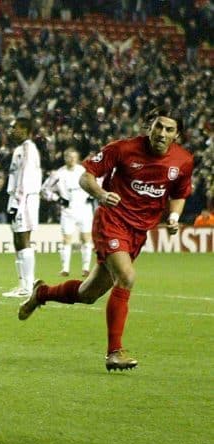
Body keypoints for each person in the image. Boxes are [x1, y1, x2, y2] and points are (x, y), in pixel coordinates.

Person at [18, 106, 194, 372]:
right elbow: (86, 175)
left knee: (87, 294)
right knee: (127, 277)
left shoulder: (183, 160)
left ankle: (41, 293)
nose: (162, 133)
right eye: (158, 126)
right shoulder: (123, 149)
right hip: (112, 221)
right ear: (150, 127)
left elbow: (179, 193)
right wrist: (101, 194)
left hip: (138, 232)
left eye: (169, 129)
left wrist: (173, 217)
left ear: (177, 134)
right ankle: (114, 352)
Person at [2, 109, 42, 298]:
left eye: (15, 128)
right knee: (17, 240)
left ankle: (28, 285)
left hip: (25, 198)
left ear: (25, 131)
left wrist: (17, 202)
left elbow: (24, 178)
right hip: (17, 198)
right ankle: (22, 284)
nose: (12, 131)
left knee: (24, 239)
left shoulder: (27, 148)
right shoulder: (18, 149)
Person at [41, 147, 94, 277]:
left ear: (77, 158)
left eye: (74, 157)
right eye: (69, 157)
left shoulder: (84, 171)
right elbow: (44, 189)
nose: (72, 159)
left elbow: (96, 183)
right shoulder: (59, 173)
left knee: (86, 238)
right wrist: (57, 199)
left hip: (84, 209)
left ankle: (86, 268)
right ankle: (65, 269)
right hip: (68, 211)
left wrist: (92, 195)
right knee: (66, 239)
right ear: (65, 158)